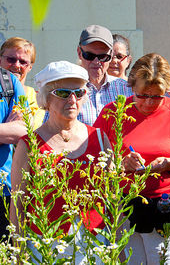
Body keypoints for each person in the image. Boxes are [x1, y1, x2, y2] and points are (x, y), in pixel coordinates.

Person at [93, 53, 170, 265]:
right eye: (142, 95)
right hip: (124, 208)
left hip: (165, 209)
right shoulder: (114, 112)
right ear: (131, 87)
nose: (148, 103)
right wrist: (120, 164)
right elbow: (93, 161)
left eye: (156, 97)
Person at [10, 61, 111, 262]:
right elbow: (18, 203)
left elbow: (112, 198)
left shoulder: (99, 138)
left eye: (79, 93)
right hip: (45, 244)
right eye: (64, 93)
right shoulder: (29, 144)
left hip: (94, 243)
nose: (73, 100)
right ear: (46, 98)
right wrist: (19, 253)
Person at [43, 25, 133, 126]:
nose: (96, 62)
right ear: (79, 53)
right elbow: (48, 130)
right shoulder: (64, 90)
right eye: (89, 56)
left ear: (111, 55)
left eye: (103, 57)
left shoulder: (127, 89)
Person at [0, 66, 25, 239]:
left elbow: (22, 130)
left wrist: (13, 130)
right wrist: (5, 130)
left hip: (4, 191)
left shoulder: (9, 81)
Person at [0, 37, 45, 129]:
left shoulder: (38, 99)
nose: (17, 65)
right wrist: (9, 128)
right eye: (11, 59)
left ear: (30, 67)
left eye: (23, 62)